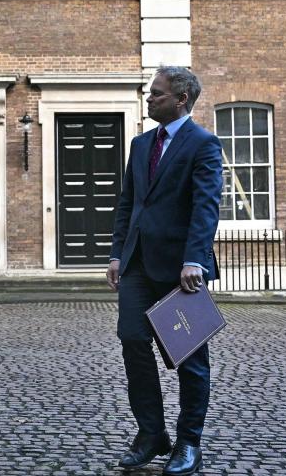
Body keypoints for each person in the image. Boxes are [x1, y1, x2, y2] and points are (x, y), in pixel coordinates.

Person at [106, 66, 223, 475]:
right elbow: (128, 204)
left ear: (181, 100)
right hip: (137, 264)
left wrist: (195, 259)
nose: (149, 98)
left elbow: (206, 207)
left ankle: (189, 443)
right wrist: (117, 253)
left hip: (181, 272)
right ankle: (152, 434)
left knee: (190, 358)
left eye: (156, 93)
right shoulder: (140, 145)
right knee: (133, 341)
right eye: (149, 92)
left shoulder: (204, 145)